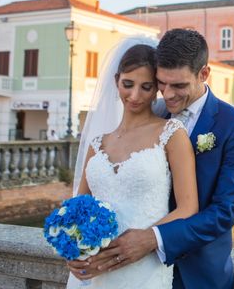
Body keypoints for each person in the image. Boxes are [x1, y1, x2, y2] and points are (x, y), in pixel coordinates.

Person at [80, 28, 234, 288]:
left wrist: (154, 238)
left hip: (197, 273)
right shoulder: (151, 114)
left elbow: (224, 211)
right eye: (161, 84)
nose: (168, 94)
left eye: (179, 85)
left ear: (204, 74)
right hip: (127, 267)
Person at [66, 37, 198, 288]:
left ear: (157, 89)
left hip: (143, 265)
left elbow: (188, 207)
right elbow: (77, 208)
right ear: (116, 81)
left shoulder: (172, 133)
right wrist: (71, 249)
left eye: (146, 87)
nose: (135, 95)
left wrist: (146, 238)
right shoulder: (97, 143)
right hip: (94, 268)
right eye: (128, 84)